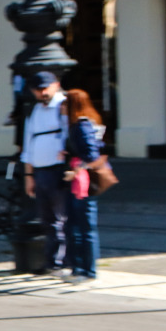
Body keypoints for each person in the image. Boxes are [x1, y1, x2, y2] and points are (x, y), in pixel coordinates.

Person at [20, 71, 70, 277]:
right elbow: (28, 145)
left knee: (62, 217)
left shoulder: (63, 106)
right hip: (40, 170)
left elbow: (70, 134)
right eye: (38, 89)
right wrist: (28, 176)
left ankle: (65, 261)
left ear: (56, 85)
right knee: (47, 219)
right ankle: (52, 261)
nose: (42, 92)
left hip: (58, 168)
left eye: (45, 87)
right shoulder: (36, 111)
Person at [64, 89, 104, 283]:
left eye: (65, 103)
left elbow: (92, 154)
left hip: (83, 180)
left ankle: (87, 271)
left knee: (83, 226)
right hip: (80, 179)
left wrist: (76, 168)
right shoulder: (83, 123)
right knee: (78, 225)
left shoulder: (81, 125)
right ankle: (80, 269)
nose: (61, 107)